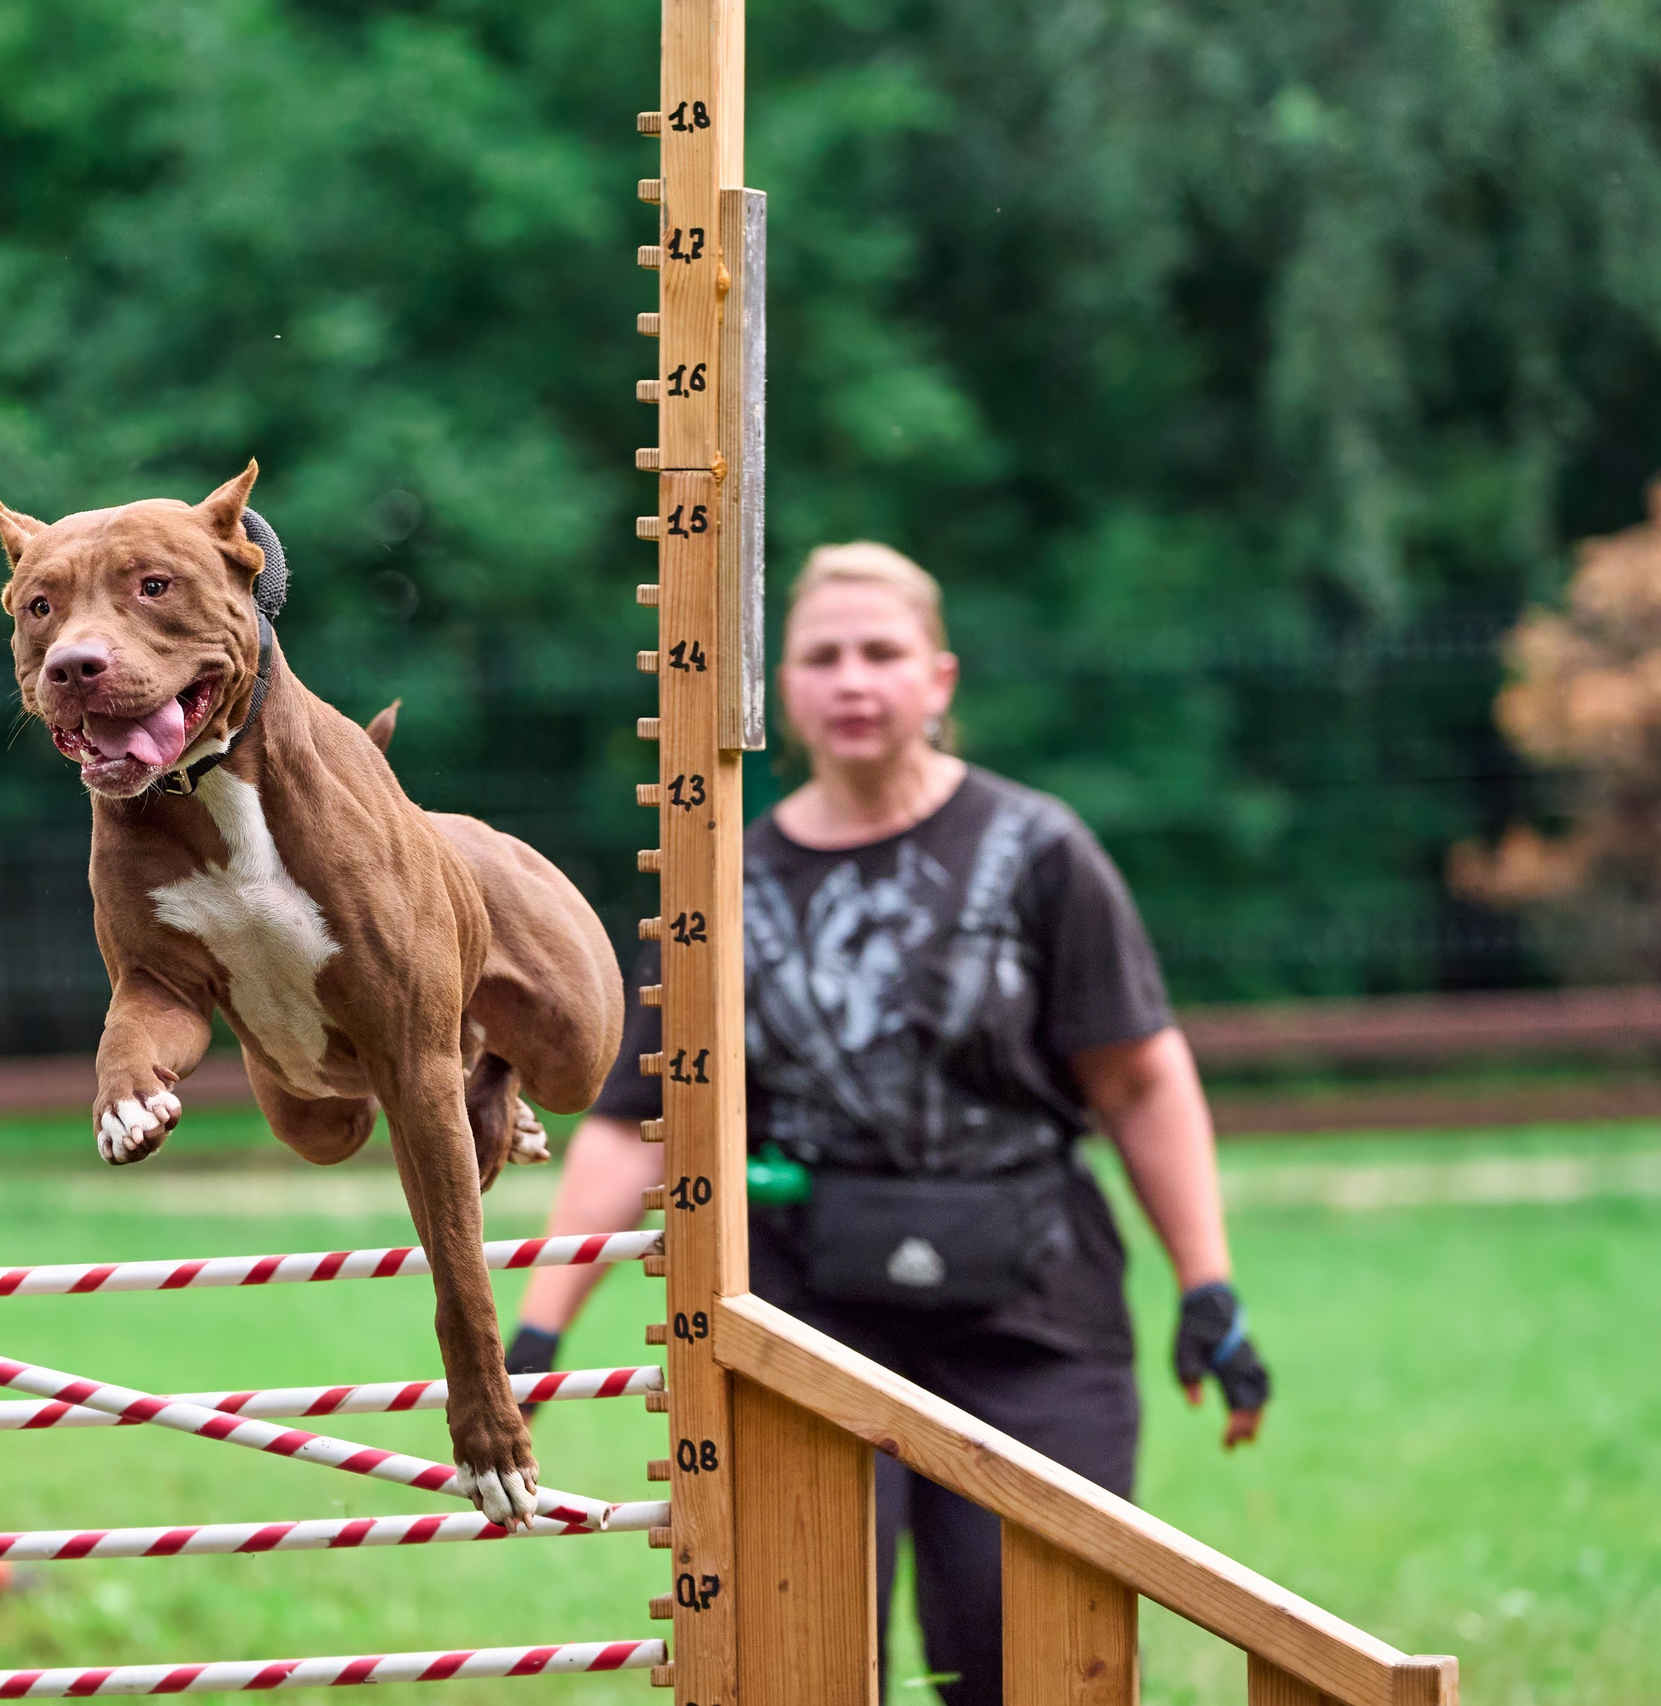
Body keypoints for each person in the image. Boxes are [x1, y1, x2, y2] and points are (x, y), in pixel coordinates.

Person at [507, 543, 1269, 1706]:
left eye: (881, 653)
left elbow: (1136, 1078)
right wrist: (538, 1333)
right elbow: (640, 1119)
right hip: (804, 1318)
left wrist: (1206, 1283)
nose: (852, 679)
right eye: (821, 656)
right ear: (779, 691)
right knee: (799, 1658)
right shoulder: (718, 884)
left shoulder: (1039, 851)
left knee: (1024, 1660)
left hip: (1035, 1309)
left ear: (939, 676)